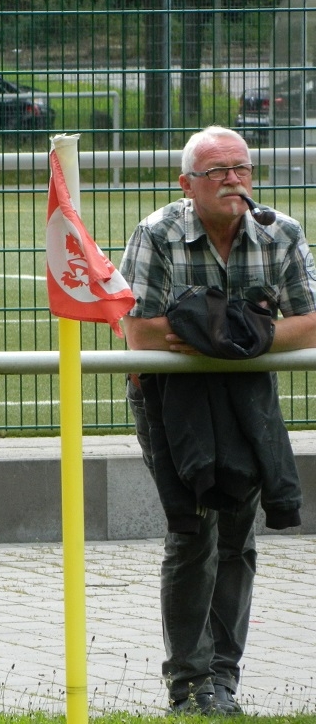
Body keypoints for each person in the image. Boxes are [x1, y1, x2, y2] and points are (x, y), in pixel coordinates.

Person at [119, 125, 316, 715]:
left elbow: (310, 322)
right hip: (168, 401)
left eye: (241, 168)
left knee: (238, 536)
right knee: (193, 532)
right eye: (217, 171)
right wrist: (252, 330)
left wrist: (211, 332)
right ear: (188, 184)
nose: (233, 179)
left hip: (247, 401)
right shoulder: (156, 232)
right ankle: (189, 684)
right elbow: (139, 331)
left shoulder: (282, 232)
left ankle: (223, 680)